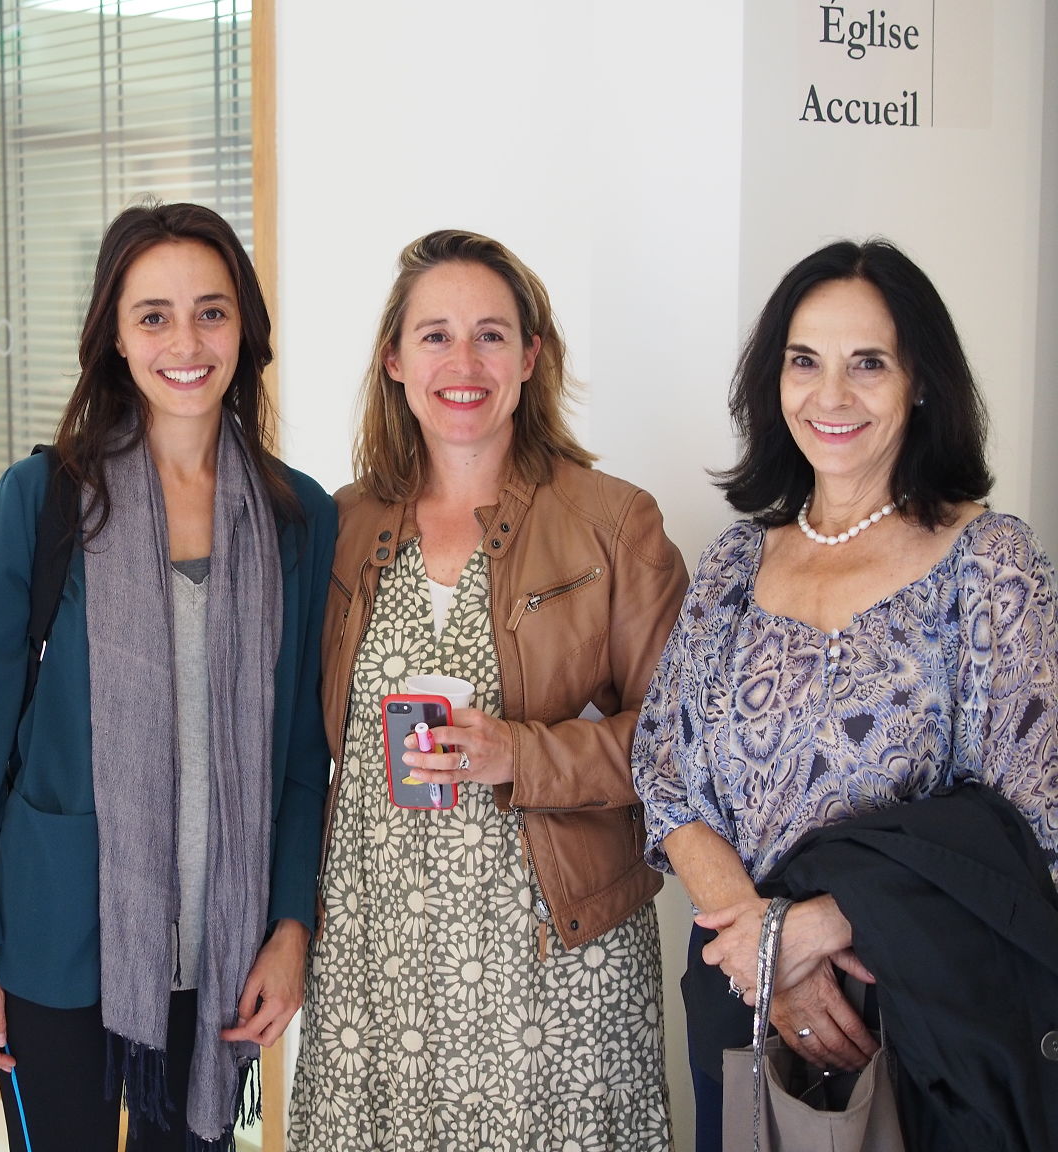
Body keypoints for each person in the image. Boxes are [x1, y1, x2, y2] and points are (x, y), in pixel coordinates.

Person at [631, 238, 1058, 1151]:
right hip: (744, 1007)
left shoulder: (990, 565)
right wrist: (765, 959)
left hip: (923, 1021)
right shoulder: (734, 565)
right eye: (804, 361)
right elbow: (668, 778)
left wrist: (814, 930)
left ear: (921, 382)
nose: (831, 395)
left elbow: (1030, 818)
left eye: (868, 363)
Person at [0, 201, 335, 1151]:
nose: (185, 343)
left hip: (222, 938)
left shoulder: (299, 516)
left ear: (244, 327)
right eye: (153, 316)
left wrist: (291, 926)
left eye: (211, 312)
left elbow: (301, 756)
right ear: (116, 336)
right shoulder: (44, 498)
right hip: (56, 933)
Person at [289, 230, 685, 1150]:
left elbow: (682, 745)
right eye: (435, 335)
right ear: (394, 360)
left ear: (531, 356)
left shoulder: (613, 523)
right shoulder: (339, 526)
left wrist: (520, 753)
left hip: (551, 957)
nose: (463, 364)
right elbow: (296, 744)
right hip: (377, 952)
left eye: (491, 336)